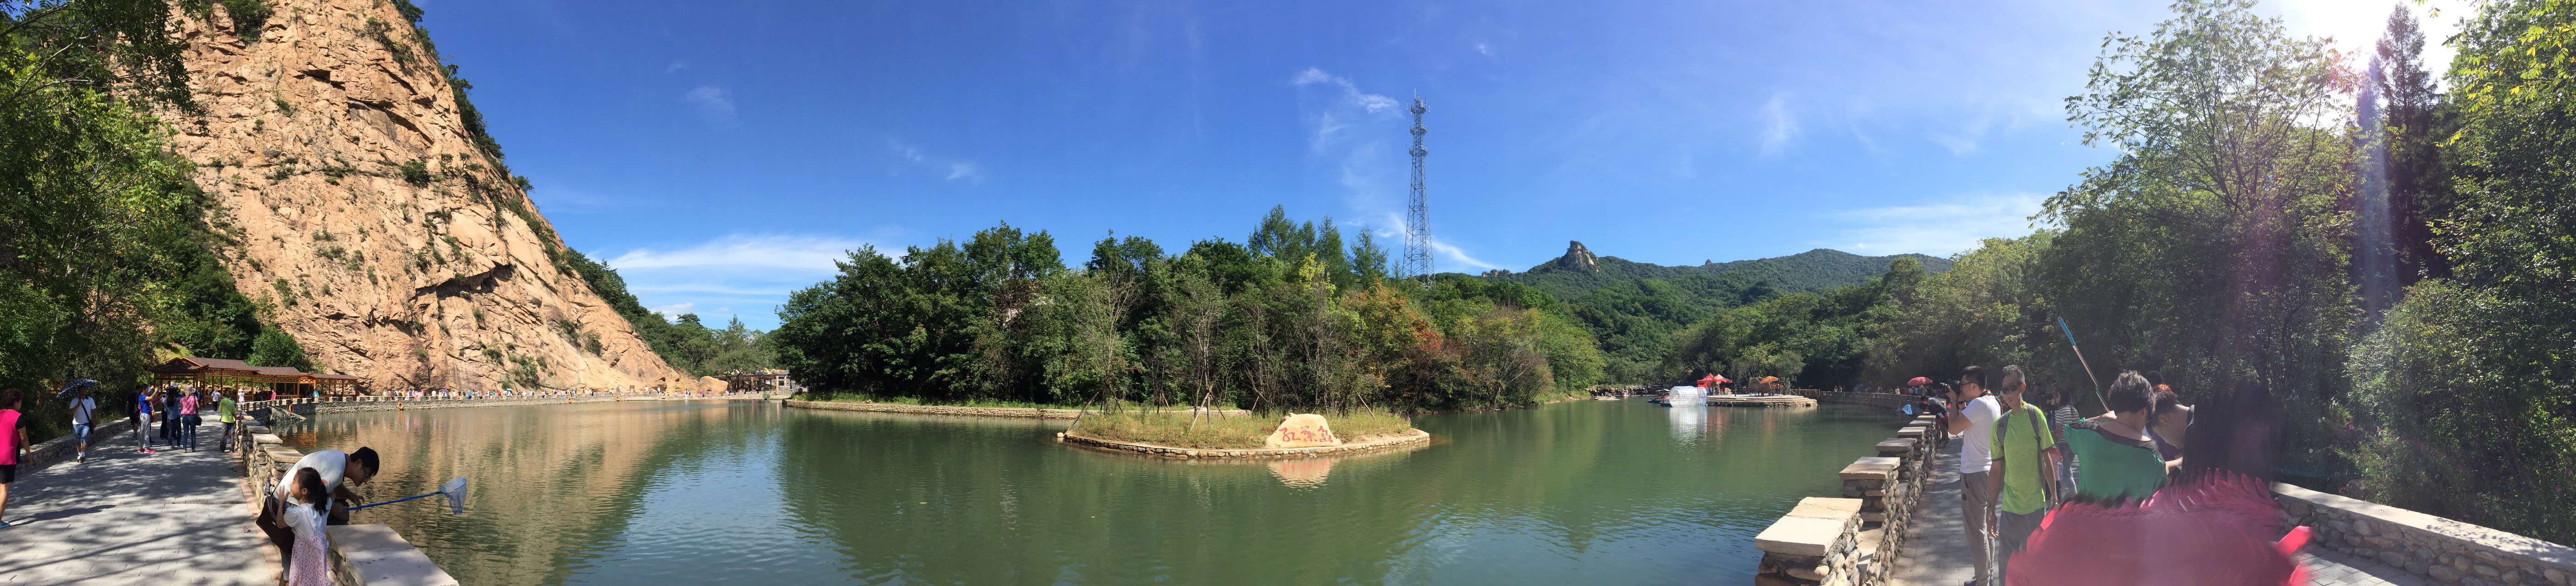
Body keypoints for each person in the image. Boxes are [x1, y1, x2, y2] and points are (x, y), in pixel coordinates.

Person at [1987, 365, 2056, 583]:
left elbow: (2047, 459)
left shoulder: (2037, 417)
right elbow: (1996, 469)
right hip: (2009, 508)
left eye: (2012, 388)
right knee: (2006, 567)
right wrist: (1991, 509)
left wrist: (2055, 498)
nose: (2007, 394)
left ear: (2022, 387)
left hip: (2035, 506)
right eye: (2004, 390)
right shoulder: (2000, 426)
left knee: (2034, 565)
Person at [1940, 366, 2002, 586]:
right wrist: (1958, 402)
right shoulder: (1993, 401)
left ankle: (1983, 581)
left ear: (1974, 386)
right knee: (1986, 528)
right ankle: (1987, 576)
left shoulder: (1978, 404)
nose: (1961, 388)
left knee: (1976, 533)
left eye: (1963, 385)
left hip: (1974, 474)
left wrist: (1953, 402)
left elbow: (1953, 429)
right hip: (1988, 472)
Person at [2062, 371, 2167, 501]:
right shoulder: (2152, 454)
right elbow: (2161, 495)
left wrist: (2103, 418)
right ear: (2144, 412)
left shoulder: (2085, 434)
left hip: (2088, 520)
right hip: (2132, 521)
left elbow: (2069, 427)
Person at [281, 467, 333, 585]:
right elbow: (332, 495)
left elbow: (280, 523)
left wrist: (281, 503)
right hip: (317, 566)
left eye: (294, 482)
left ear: (304, 491)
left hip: (302, 561)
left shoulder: (296, 513)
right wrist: (320, 487)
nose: (291, 484)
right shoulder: (325, 507)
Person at [2044, 385, 2082, 502]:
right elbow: (2077, 426)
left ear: (2063, 398)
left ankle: (2074, 497)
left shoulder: (2060, 412)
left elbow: (2059, 430)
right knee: (2066, 471)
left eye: (2057, 396)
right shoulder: (2074, 410)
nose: (2055, 399)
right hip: (2074, 444)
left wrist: (2052, 433)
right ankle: (2066, 495)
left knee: (2067, 472)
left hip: (2064, 444)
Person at [0, 389, 27, 528]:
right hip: (7, 458)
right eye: (20, 401)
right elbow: (24, 439)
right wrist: (29, 454)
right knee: (4, 489)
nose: (21, 403)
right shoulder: (18, 417)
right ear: (16, 402)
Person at [2150, 391, 2189, 467]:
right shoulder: (2205, 422)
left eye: (2160, 435)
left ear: (2164, 419)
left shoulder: (2203, 434)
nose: (2166, 442)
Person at [67, 387, 97, 463]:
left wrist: (94, 420)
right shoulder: (74, 400)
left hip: (86, 423)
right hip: (76, 424)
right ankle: (80, 455)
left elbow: (94, 411)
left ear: (86, 391)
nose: (83, 392)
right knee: (77, 441)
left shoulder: (90, 400)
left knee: (84, 437)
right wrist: (78, 405)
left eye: (84, 390)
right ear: (79, 392)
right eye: (81, 390)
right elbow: (70, 412)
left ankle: (83, 454)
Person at [178, 387, 200, 451]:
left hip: (185, 417)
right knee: (193, 433)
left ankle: (185, 448)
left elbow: (182, 409)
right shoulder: (194, 397)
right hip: (192, 416)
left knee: (186, 433)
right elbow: (198, 406)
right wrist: (194, 407)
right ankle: (193, 448)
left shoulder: (182, 399)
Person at [217, 389, 239, 453]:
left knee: (224, 434)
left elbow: (220, 410)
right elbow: (234, 411)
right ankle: (232, 449)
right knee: (232, 434)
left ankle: (222, 449)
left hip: (224, 420)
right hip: (231, 420)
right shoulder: (232, 402)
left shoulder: (223, 401)